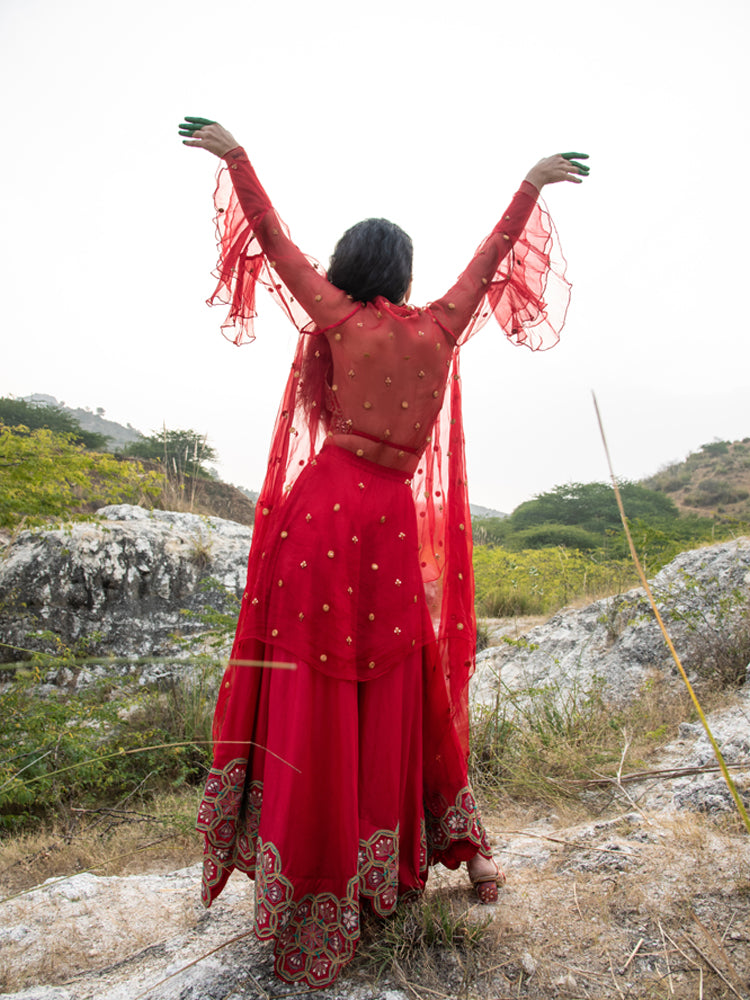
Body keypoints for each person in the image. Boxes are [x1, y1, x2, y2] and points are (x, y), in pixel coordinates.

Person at [180, 115, 587, 989]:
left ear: (347, 269)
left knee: (312, 686)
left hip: (320, 518)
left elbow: (273, 241)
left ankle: (311, 874)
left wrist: (235, 159)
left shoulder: (334, 315)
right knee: (401, 680)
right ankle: (426, 856)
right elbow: (489, 262)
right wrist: (532, 184)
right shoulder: (439, 328)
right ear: (401, 275)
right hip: (389, 525)